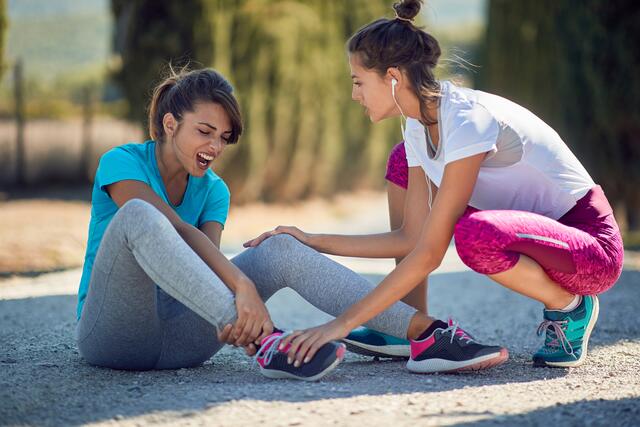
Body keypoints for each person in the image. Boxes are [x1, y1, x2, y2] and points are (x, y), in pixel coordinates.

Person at [244, 0, 624, 370]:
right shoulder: (417, 123)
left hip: (588, 250)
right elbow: (410, 238)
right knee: (401, 163)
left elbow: (429, 252)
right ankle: (407, 325)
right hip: (531, 234)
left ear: (392, 77)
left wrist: (337, 325)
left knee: (476, 235)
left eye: (359, 82)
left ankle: (571, 307)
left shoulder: (466, 119)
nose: (354, 94)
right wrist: (310, 239)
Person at [75, 66, 448, 380]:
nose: (214, 147)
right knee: (142, 216)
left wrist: (238, 288)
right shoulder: (121, 162)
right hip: (113, 337)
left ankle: (426, 332)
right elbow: (177, 230)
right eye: (204, 132)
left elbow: (204, 262)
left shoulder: (213, 190)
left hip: (182, 342)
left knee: (281, 247)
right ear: (170, 124)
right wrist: (242, 286)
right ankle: (266, 343)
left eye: (223, 138)